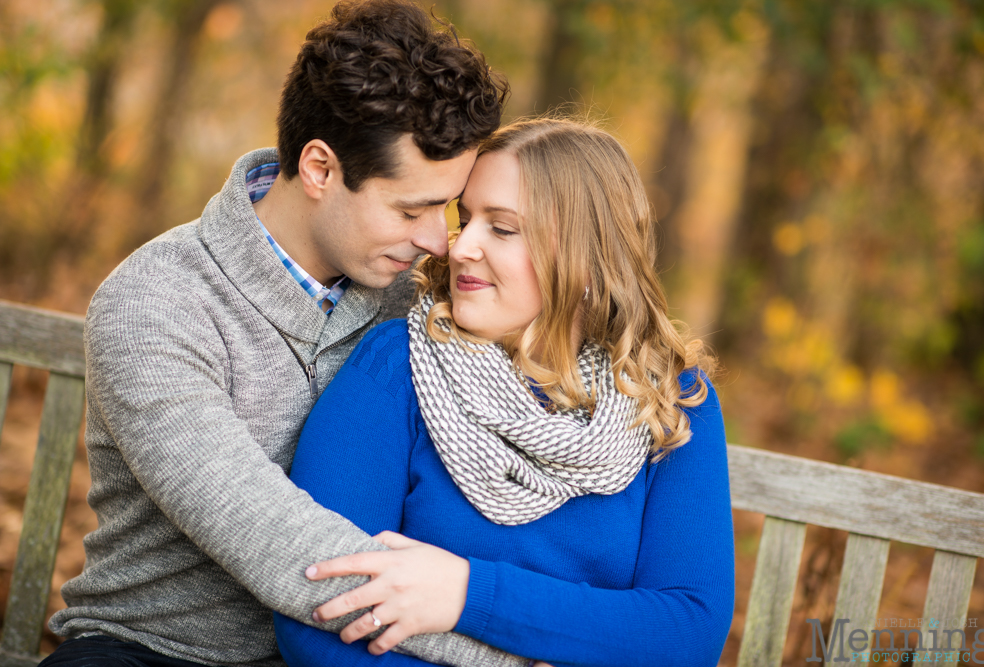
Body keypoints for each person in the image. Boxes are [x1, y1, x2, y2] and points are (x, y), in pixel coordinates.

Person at [40, 2, 526, 666]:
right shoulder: (156, 301)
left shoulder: (416, 304)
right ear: (321, 169)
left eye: (443, 209)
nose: (435, 241)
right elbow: (271, 538)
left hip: (349, 654)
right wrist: (509, 653)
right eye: (410, 208)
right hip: (150, 647)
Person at [273, 118, 736, 667]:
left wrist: (468, 594)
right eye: (465, 220)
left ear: (588, 260)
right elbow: (319, 616)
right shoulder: (397, 366)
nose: (460, 246)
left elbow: (687, 630)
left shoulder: (670, 401)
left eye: (503, 228)